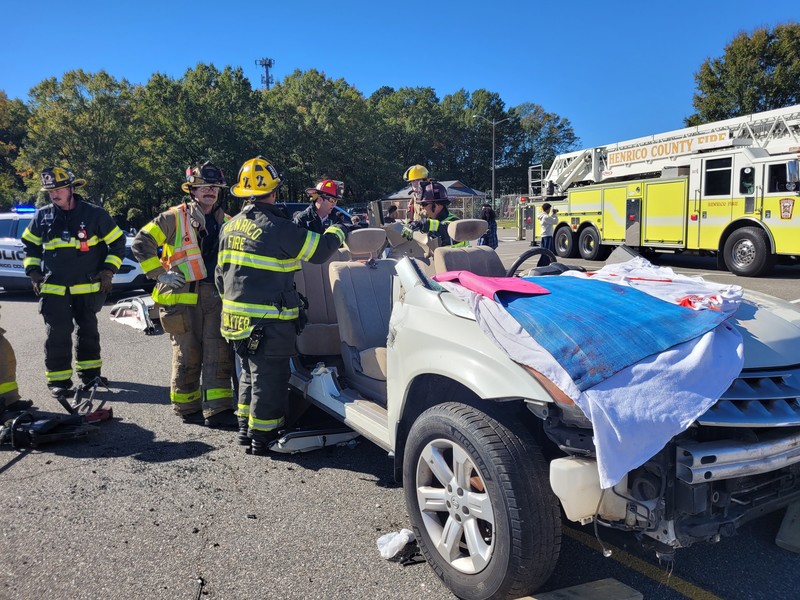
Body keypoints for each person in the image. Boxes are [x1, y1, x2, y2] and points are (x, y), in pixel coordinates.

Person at [216, 156, 347, 455]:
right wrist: (339, 232)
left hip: (235, 320)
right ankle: (264, 436)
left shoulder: (229, 227)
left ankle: (244, 429)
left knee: (248, 374)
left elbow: (220, 276)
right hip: (267, 322)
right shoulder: (278, 228)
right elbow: (320, 252)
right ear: (274, 192)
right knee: (270, 379)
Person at [132, 161, 235, 427]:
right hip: (182, 300)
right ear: (192, 190)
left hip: (216, 298)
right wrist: (158, 274)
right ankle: (187, 407)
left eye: (214, 187)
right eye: (203, 187)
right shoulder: (173, 217)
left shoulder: (227, 221)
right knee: (187, 355)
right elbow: (141, 242)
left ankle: (218, 409)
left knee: (218, 352)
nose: (210, 191)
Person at [21, 167, 125, 398]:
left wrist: (108, 271)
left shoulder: (95, 215)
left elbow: (118, 243)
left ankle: (90, 376)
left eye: (58, 189)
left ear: (71, 188)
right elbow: (30, 246)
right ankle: (58, 381)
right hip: (54, 287)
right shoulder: (43, 216)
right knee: (57, 333)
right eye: (50, 191)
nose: (54, 195)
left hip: (87, 286)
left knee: (88, 331)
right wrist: (33, 272)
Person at [402, 182, 466, 247]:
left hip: (457, 257)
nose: (421, 207)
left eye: (424, 204)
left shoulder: (456, 223)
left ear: (436, 205)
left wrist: (423, 224)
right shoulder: (433, 221)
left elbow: (444, 230)